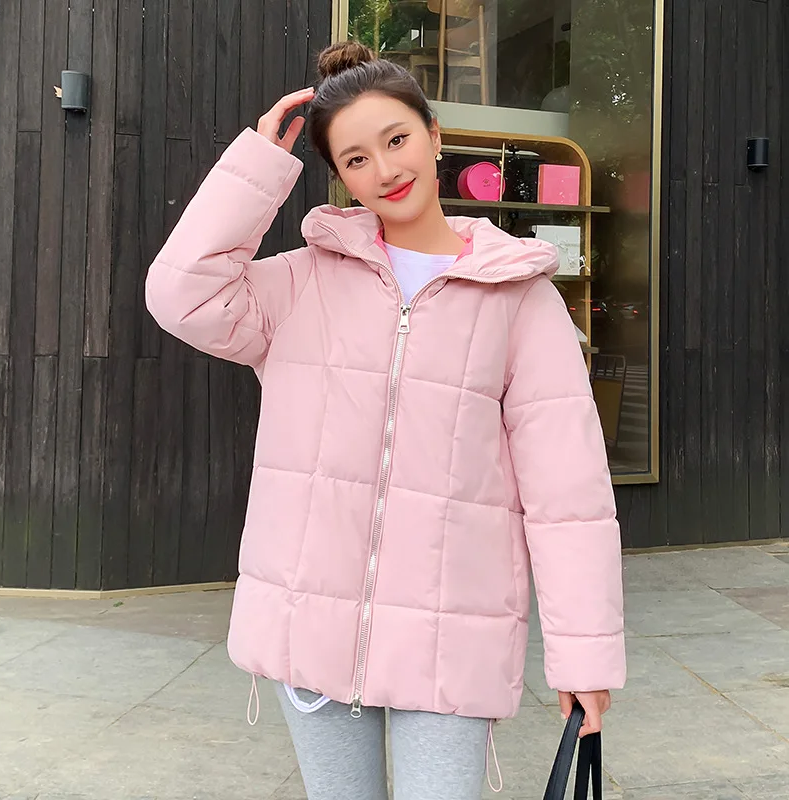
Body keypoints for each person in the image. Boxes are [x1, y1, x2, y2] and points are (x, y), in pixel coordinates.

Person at [145, 40, 625, 800]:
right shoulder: (302, 283)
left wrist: (584, 658)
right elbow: (181, 295)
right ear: (340, 177)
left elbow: (568, 496)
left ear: (434, 134)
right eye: (357, 159)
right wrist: (259, 166)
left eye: (397, 139)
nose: (386, 169)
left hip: (450, 642)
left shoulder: (519, 298)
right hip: (314, 631)